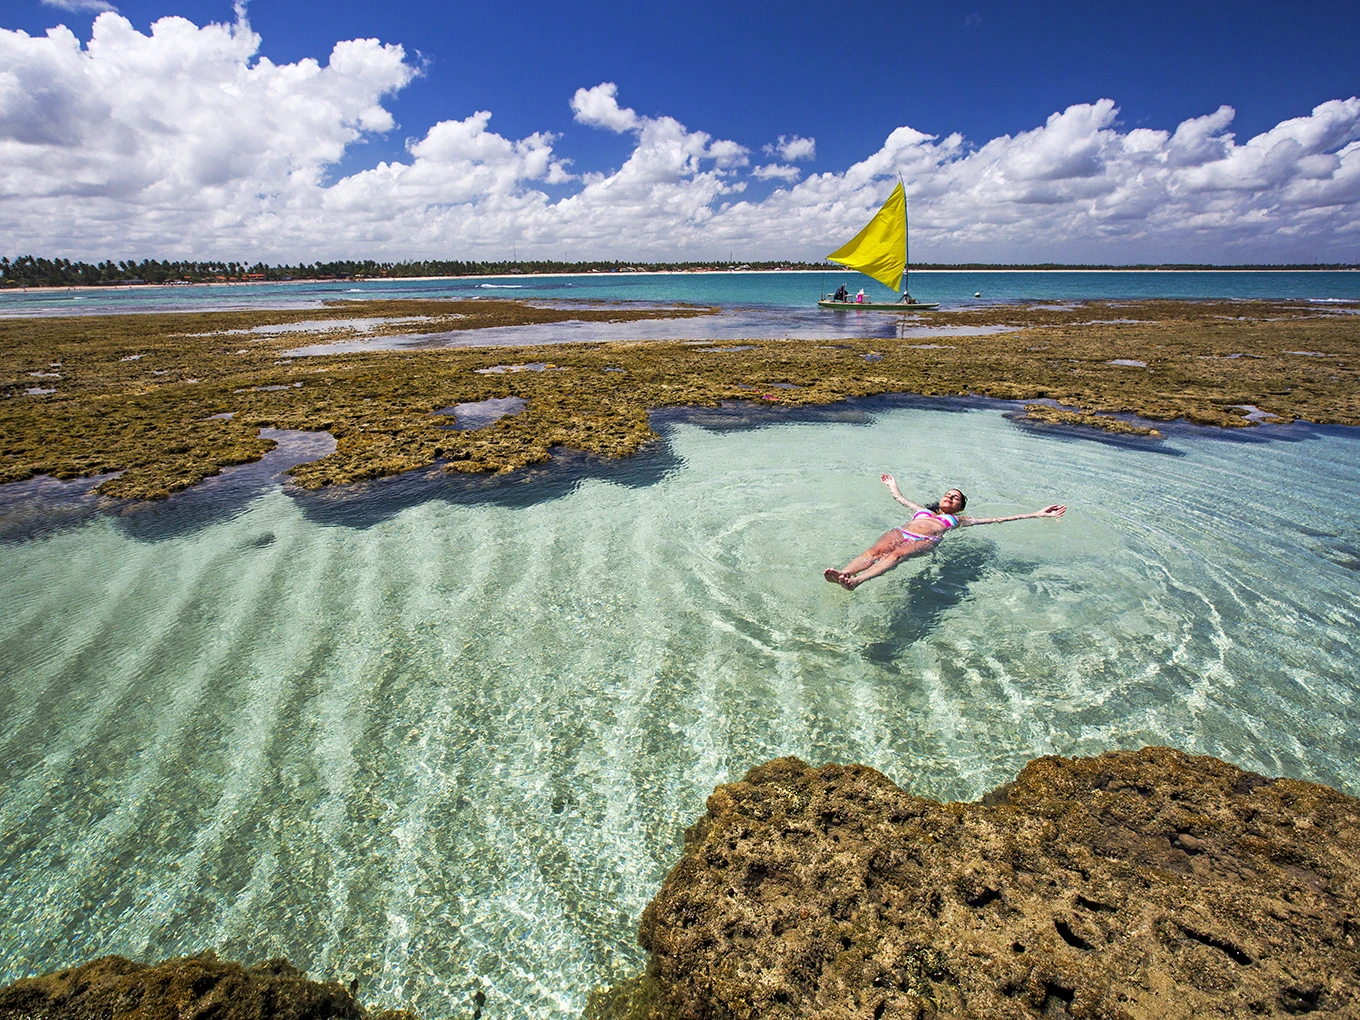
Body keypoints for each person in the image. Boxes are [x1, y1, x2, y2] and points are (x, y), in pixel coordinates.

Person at [823, 475, 1066, 591]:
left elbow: (997, 519)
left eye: (955, 497)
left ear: (960, 507)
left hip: (925, 539)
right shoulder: (922, 511)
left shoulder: (958, 520)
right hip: (901, 531)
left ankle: (857, 581)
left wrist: (1037, 513)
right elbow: (900, 499)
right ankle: (844, 573)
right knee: (873, 552)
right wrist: (892, 485)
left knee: (896, 556)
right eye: (948, 494)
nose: (950, 497)